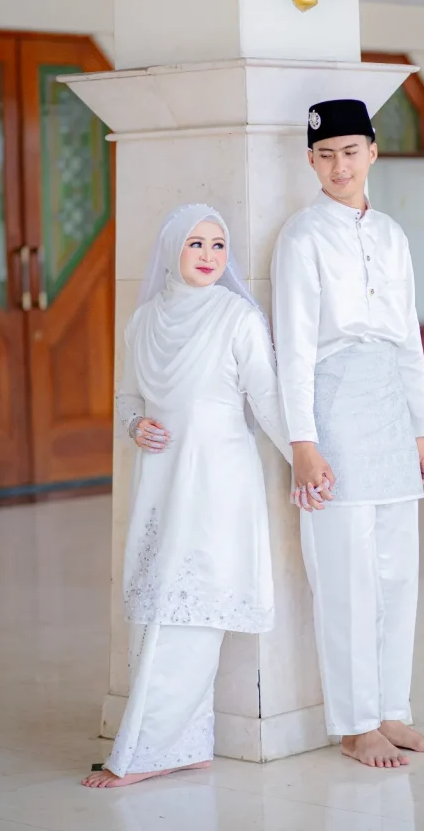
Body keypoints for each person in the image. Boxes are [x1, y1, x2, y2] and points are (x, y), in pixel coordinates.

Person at [83, 203, 290, 789]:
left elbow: (267, 399)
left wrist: (306, 457)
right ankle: (185, 743)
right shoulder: (143, 320)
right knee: (156, 605)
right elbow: (128, 398)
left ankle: (145, 750)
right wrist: (135, 426)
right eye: (195, 244)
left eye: (218, 245)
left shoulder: (237, 317)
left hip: (218, 483)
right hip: (161, 480)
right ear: (172, 250)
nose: (208, 256)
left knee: (189, 609)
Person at [271, 98, 424, 770]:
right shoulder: (301, 237)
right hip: (334, 409)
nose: (339, 166)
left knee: (398, 575)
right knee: (345, 577)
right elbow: (293, 349)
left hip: (391, 414)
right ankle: (353, 726)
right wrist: (303, 442)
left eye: (350, 151)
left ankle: (392, 711)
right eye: (325, 155)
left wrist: (420, 430)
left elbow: (408, 338)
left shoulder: (393, 236)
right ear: (310, 161)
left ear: (372, 152)